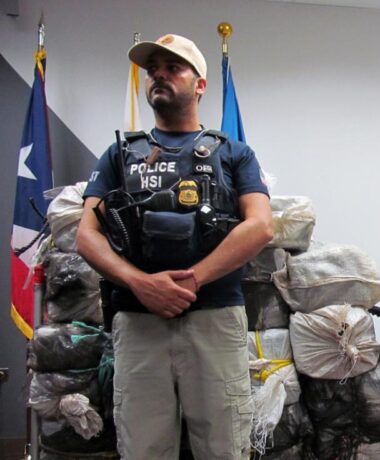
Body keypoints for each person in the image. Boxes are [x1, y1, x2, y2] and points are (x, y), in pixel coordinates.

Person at [76, 33, 273, 459]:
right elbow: (86, 234)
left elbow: (260, 227)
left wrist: (193, 279)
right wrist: (140, 282)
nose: (159, 75)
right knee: (143, 448)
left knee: (224, 447)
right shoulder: (118, 155)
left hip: (214, 318)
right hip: (138, 321)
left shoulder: (234, 153)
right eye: (152, 70)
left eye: (173, 67)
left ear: (200, 84)